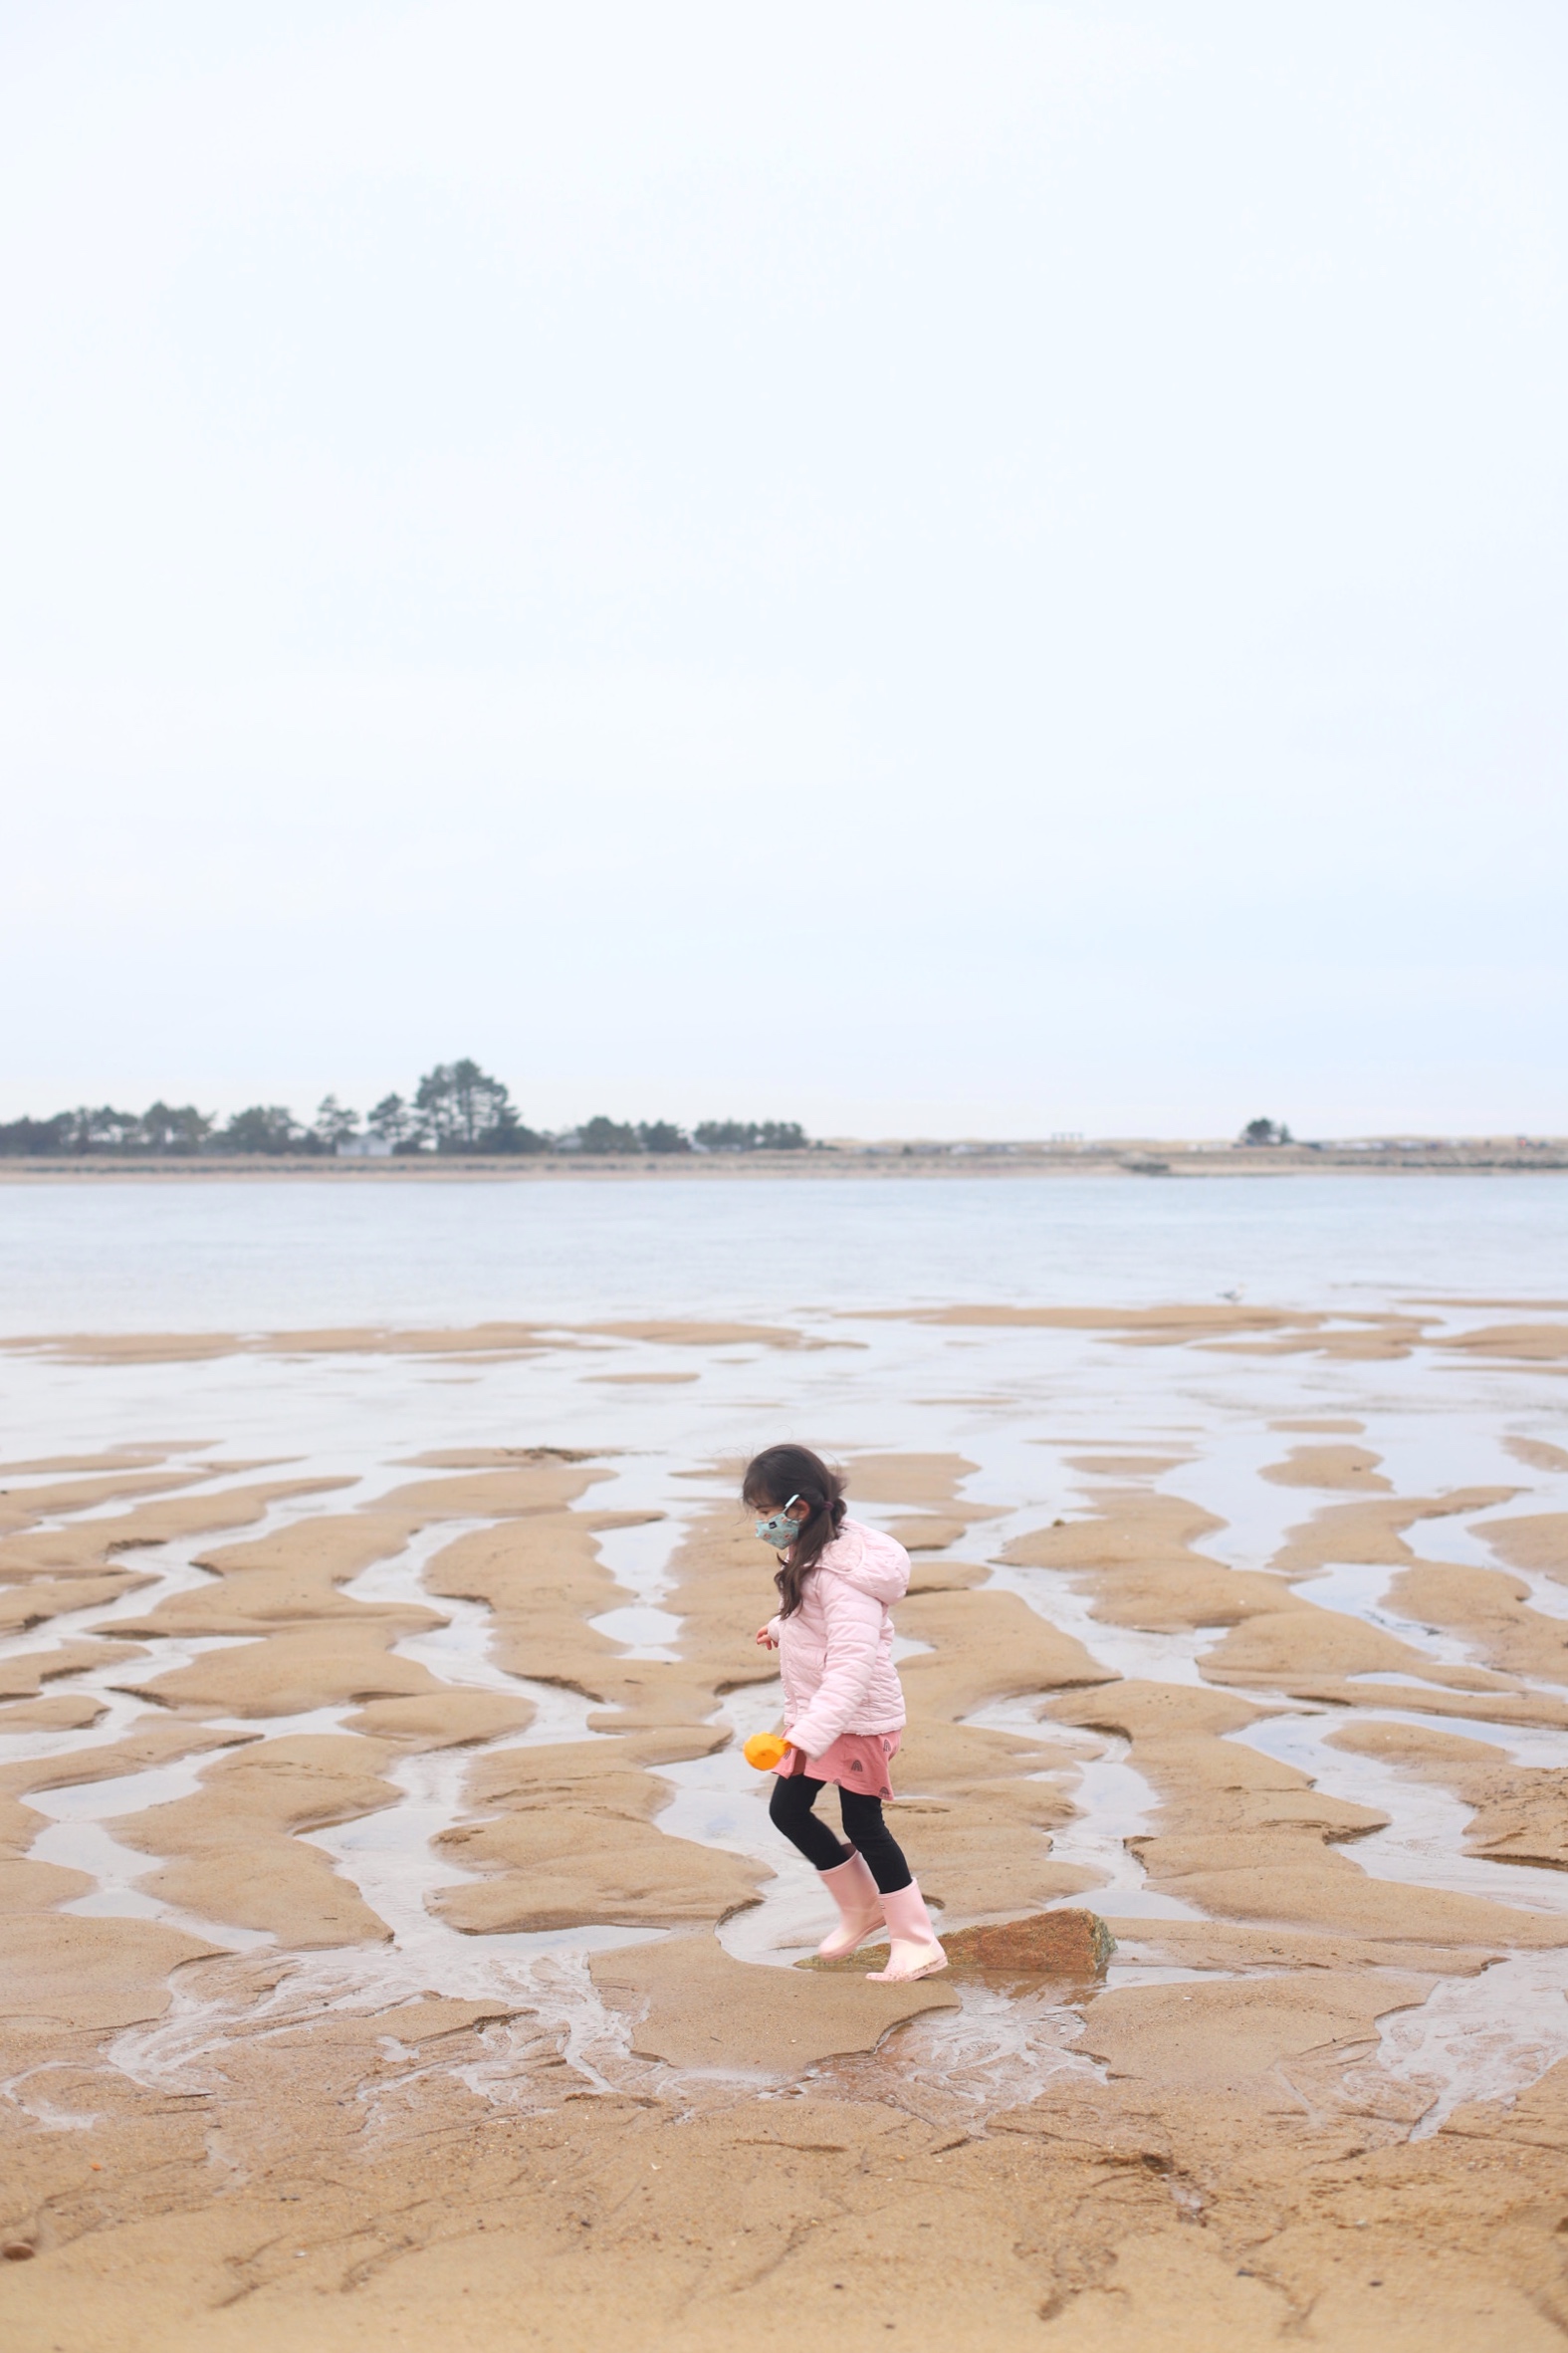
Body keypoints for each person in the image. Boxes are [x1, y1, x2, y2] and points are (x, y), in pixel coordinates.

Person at [746, 1442, 947, 1984]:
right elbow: (820, 1623)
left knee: (864, 1824)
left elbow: (851, 1664)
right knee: (787, 1811)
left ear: (799, 1509)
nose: (762, 1525)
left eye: (767, 1514)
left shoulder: (843, 1574)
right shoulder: (812, 1551)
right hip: (822, 1718)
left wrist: (806, 1735)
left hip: (857, 1722)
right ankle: (861, 1909)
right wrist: (783, 1626)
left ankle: (916, 1940)